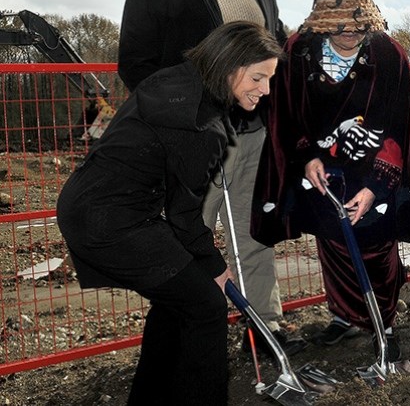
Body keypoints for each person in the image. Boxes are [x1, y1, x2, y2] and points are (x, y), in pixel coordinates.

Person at [116, 0, 305, 357]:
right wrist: (180, 121)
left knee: (252, 236)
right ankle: (184, 336)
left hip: (253, 138)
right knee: (185, 241)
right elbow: (134, 64)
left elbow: (273, 53)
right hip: (192, 143)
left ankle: (264, 331)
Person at [56, 22, 284, 405]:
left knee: (177, 300)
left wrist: (205, 264)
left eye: (269, 79)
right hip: (113, 220)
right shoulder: (201, 125)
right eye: (258, 78)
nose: (265, 90)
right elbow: (183, 214)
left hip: (87, 202)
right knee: (206, 308)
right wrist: (215, 265)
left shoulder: (176, 81)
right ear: (229, 65)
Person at [251, 0, 410, 362]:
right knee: (332, 241)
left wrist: (377, 186)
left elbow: (398, 125)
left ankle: (383, 324)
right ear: (323, 23)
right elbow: (287, 113)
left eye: (356, 27)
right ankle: (345, 316)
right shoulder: (299, 50)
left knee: (375, 246)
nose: (349, 35)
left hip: (375, 169)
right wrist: (305, 158)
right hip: (320, 168)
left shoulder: (389, 55)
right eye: (339, 28)